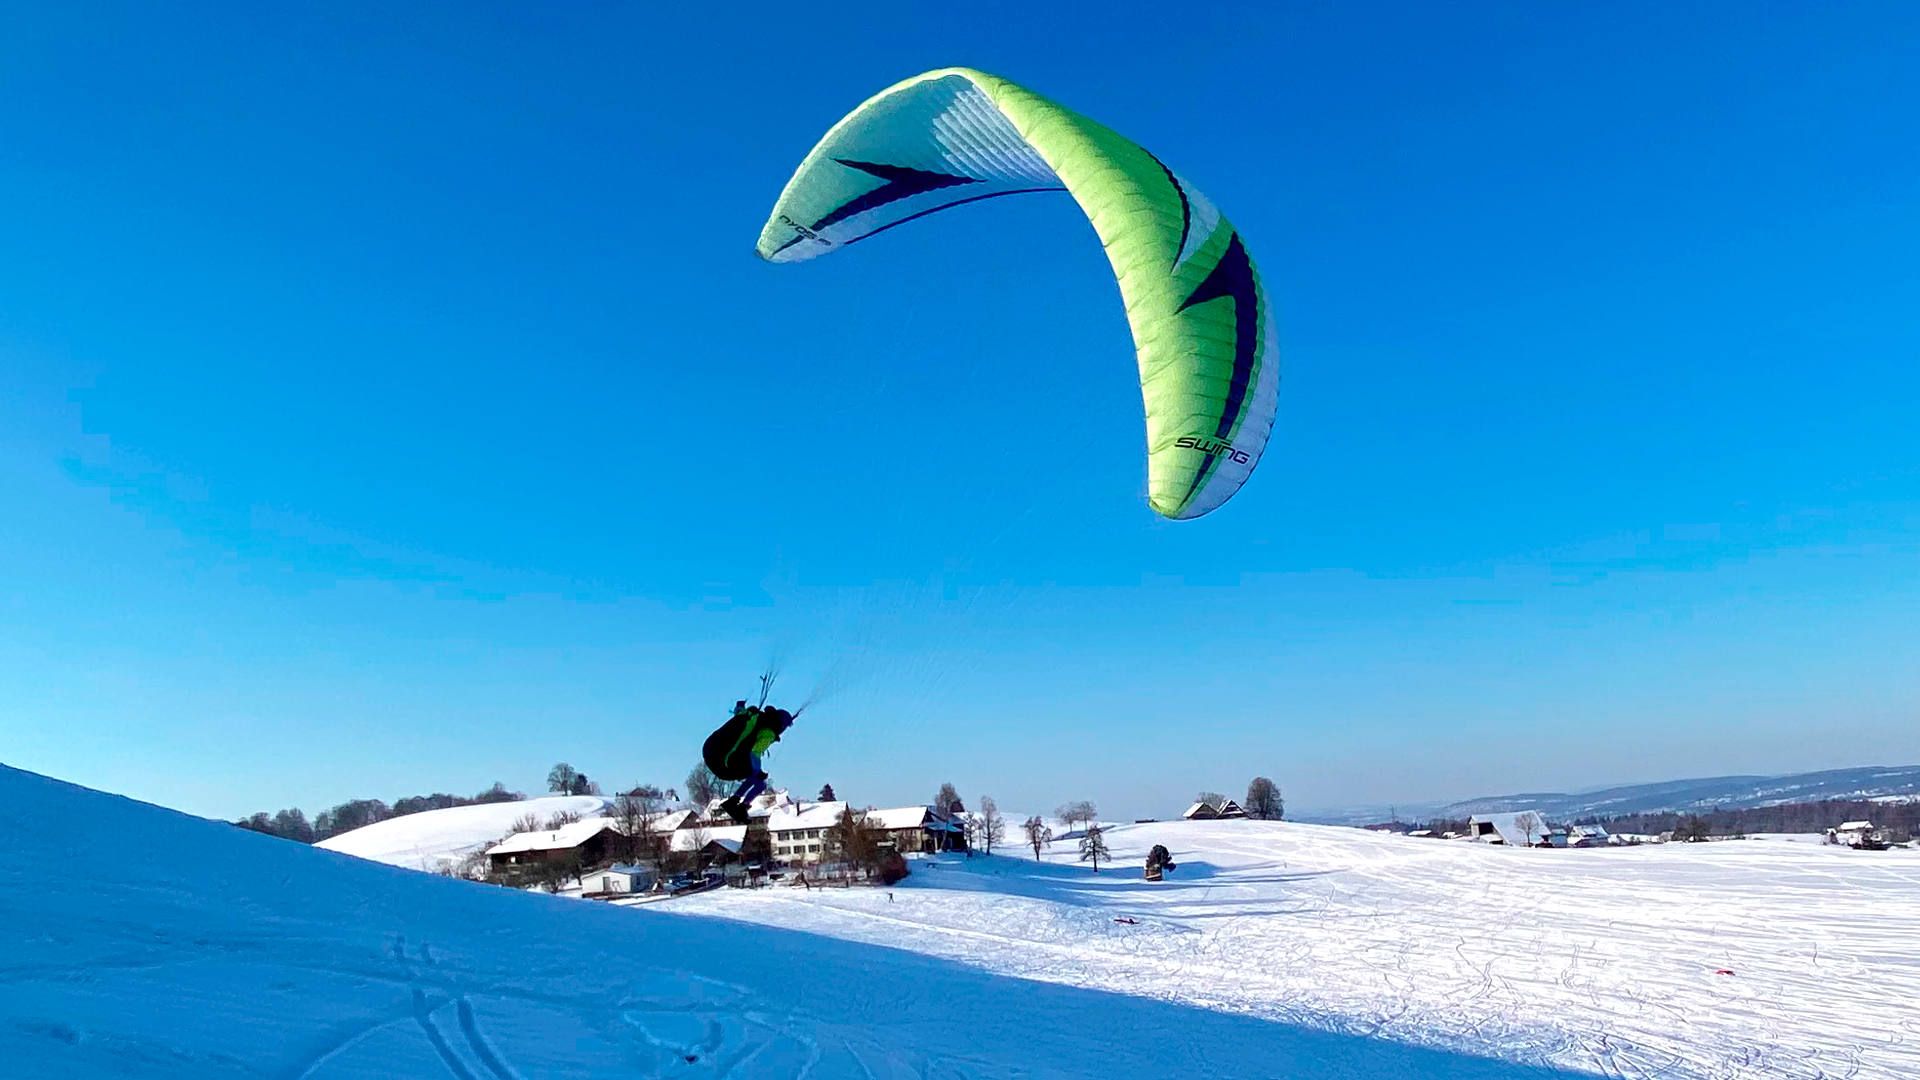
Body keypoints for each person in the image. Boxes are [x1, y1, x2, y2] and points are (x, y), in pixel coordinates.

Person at [702, 699, 795, 824]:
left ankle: (734, 802)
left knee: (752, 774)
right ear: (781, 725)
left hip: (709, 749)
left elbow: (738, 712)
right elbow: (754, 752)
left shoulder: (751, 716)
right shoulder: (768, 733)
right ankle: (739, 805)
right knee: (760, 783)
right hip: (723, 763)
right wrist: (758, 771)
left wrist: (740, 705)